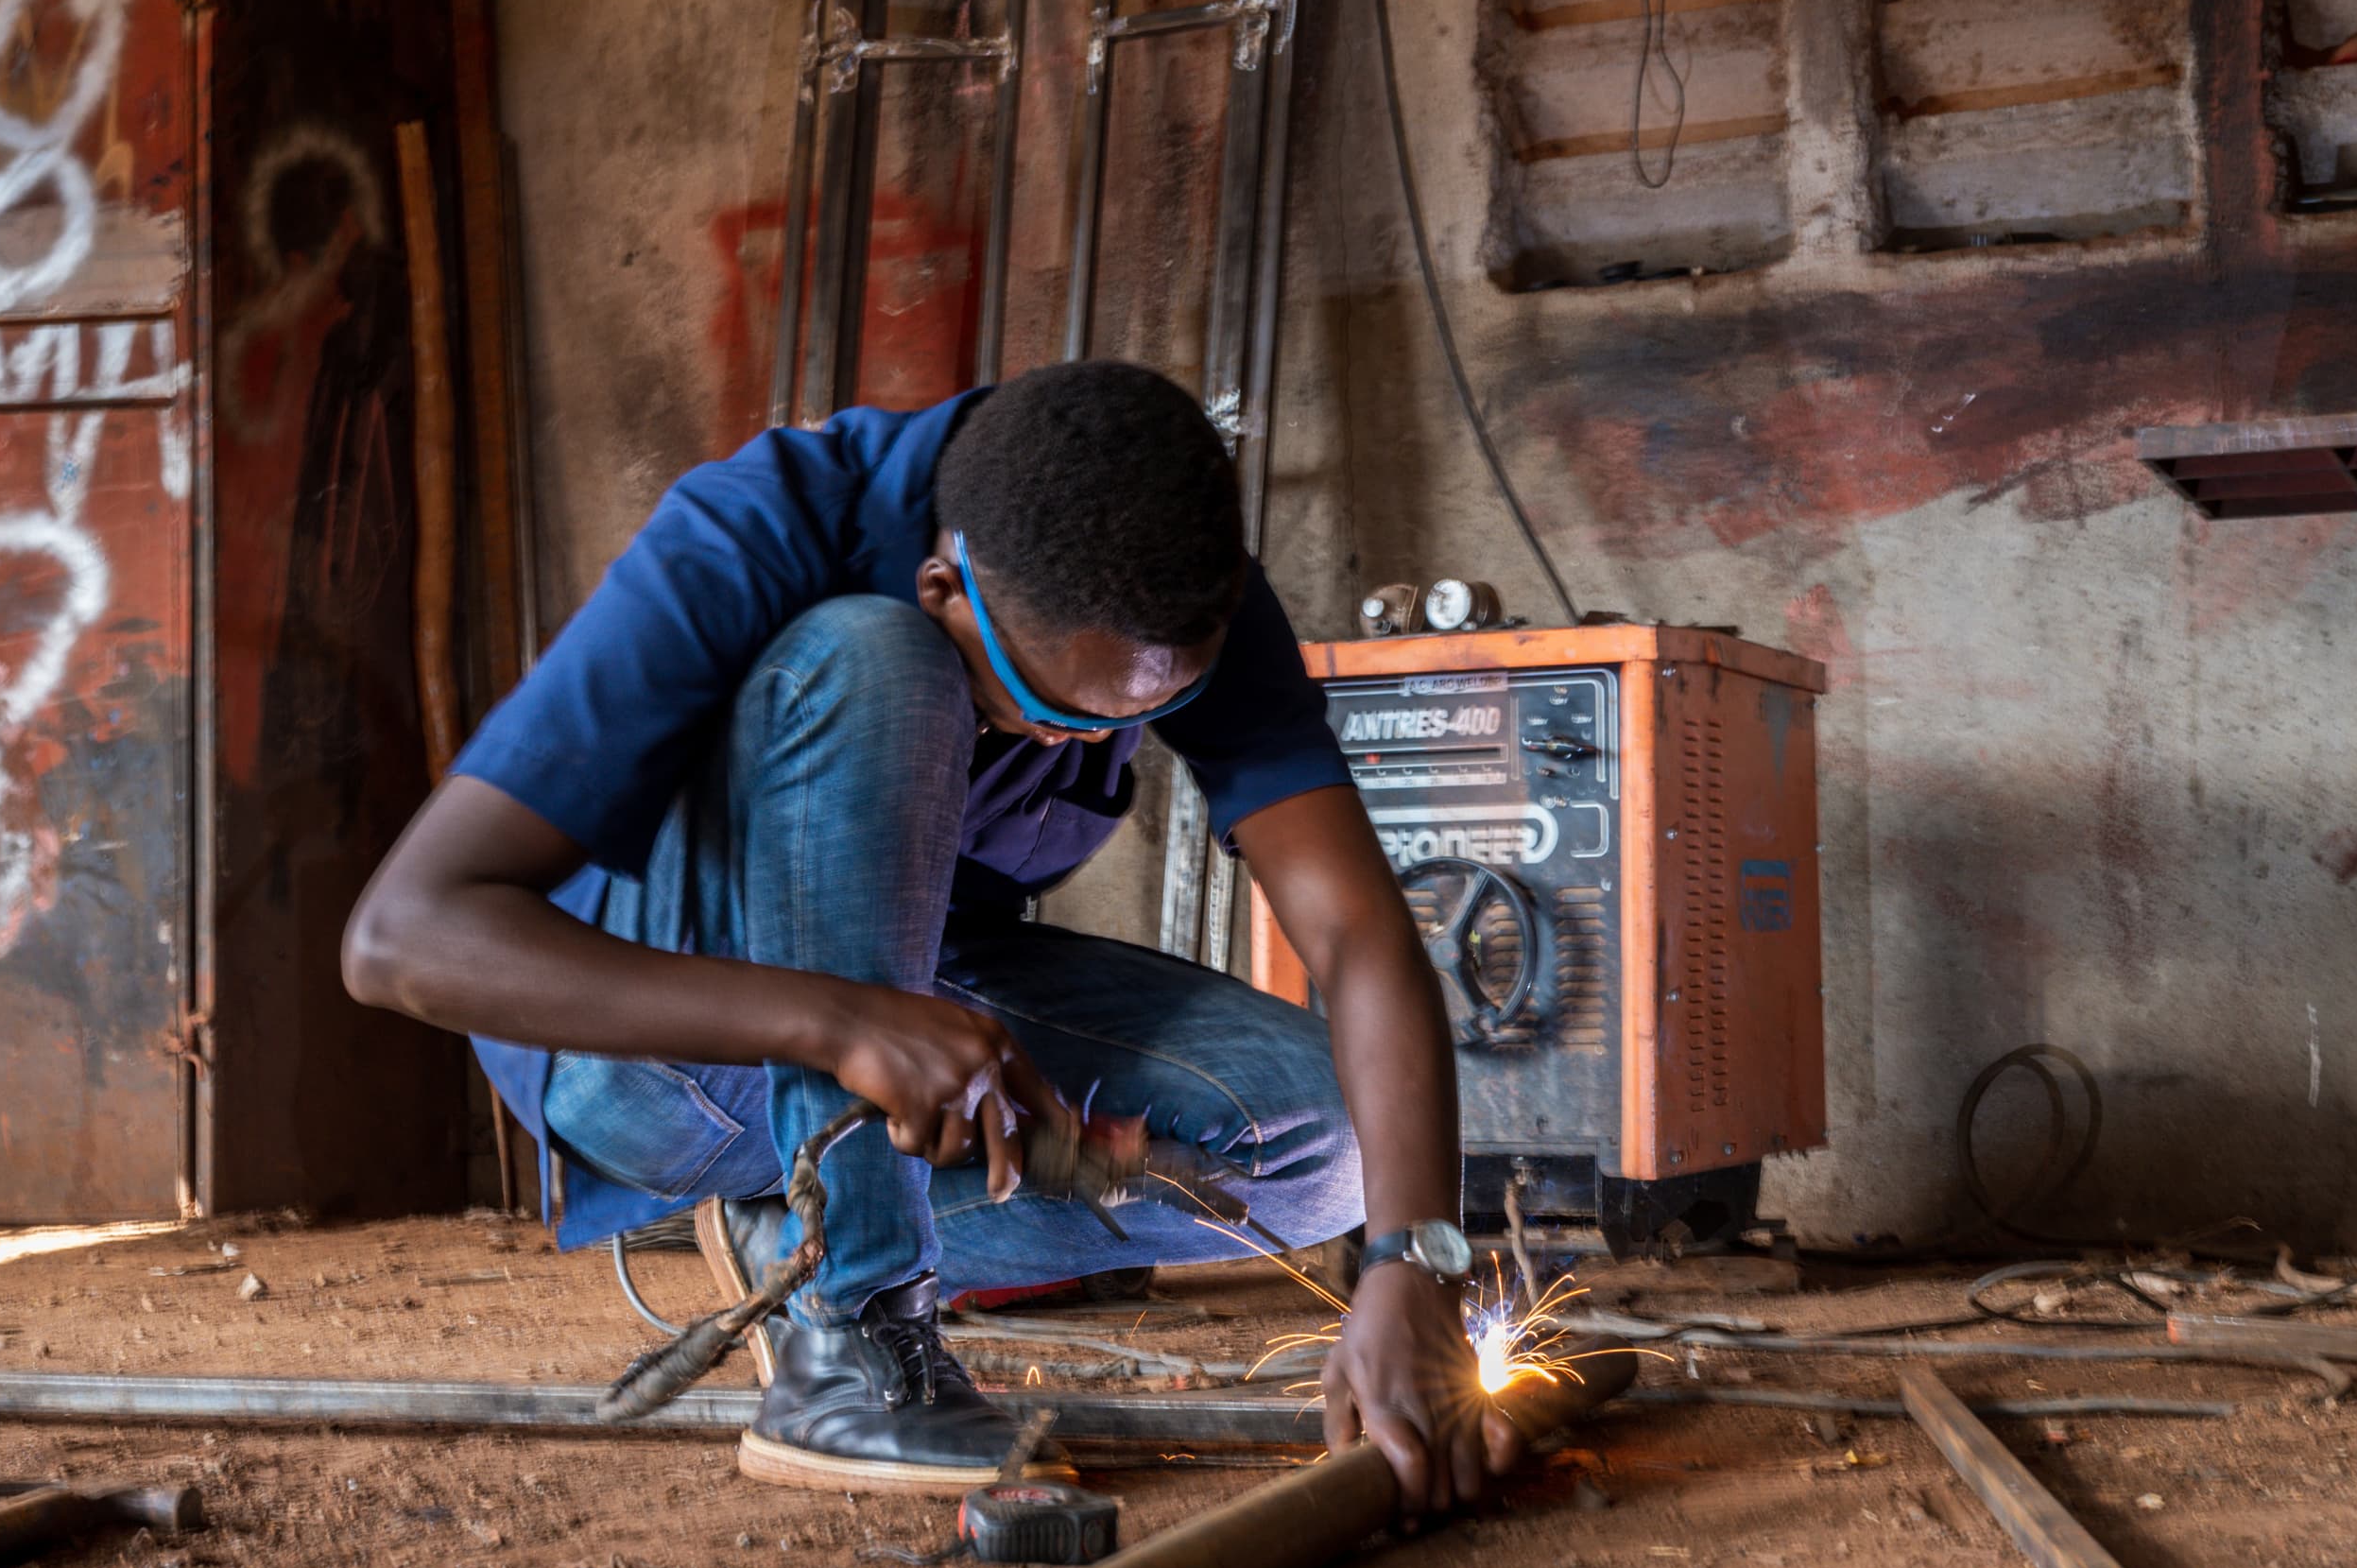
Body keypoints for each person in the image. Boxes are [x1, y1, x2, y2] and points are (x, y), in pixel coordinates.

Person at [342, 360, 1518, 1506]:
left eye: (1138, 715)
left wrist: (1415, 1257)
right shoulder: (756, 529)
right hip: (658, 1057)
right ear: (946, 583)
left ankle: (794, 1235)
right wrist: (844, 1021)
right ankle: (851, 1342)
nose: (1073, 744)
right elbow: (403, 938)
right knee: (873, 663)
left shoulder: (1176, 596)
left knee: (1323, 1149)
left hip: (899, 1012)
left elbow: (1358, 933)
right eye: (1050, 708)